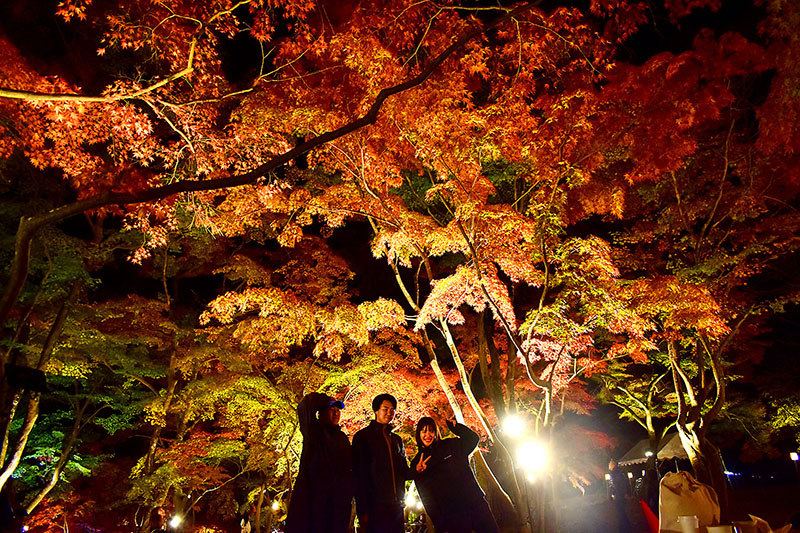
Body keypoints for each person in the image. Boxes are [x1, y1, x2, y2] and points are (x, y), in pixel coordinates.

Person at [409, 416, 499, 533]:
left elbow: (473, 439)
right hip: (451, 513)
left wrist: (457, 428)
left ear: (436, 432)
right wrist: (439, 523)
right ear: (418, 434)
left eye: (431, 431)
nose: (428, 435)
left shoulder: (451, 444)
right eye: (424, 431)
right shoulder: (417, 462)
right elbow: (426, 497)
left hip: (474, 501)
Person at [285, 392, 354, 533]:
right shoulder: (313, 432)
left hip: (337, 503)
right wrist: (325, 399)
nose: (336, 413)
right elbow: (305, 406)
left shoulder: (342, 438)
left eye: (338, 410)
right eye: (331, 409)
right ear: (320, 413)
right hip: (314, 500)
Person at [352, 393, 410, 533]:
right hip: (375, 506)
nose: (389, 413)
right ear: (376, 410)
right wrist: (362, 510)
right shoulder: (363, 437)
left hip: (396, 505)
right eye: (385, 409)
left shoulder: (396, 440)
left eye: (392, 410)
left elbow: (403, 471)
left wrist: (417, 469)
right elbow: (359, 475)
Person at [608, 459, 633, 533]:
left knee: (621, 513)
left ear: (613, 465)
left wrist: (612, 495)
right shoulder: (620, 473)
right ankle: (626, 528)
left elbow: (615, 486)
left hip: (619, 496)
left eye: (610, 464)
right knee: (622, 512)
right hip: (621, 495)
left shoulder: (614, 474)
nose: (608, 466)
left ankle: (624, 528)